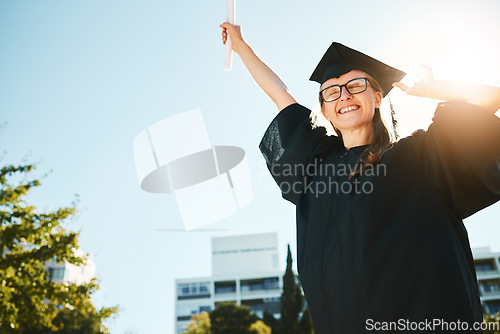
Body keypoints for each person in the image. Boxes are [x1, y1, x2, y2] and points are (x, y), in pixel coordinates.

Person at [220, 22, 500, 334]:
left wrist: (434, 88)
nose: (344, 96)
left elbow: (490, 100)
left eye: (356, 85)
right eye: (331, 92)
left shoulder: (423, 154)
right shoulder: (313, 167)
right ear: (325, 111)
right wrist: (241, 45)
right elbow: (278, 93)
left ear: (378, 97)